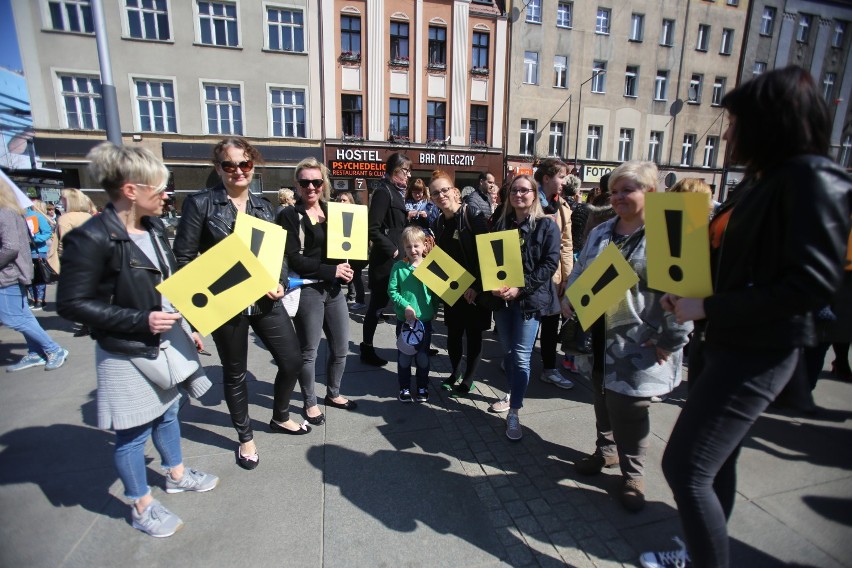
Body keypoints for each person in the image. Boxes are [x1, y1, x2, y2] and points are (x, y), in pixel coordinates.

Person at [641, 66, 852, 568]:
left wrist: (707, 305)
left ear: (768, 121)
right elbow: (743, 264)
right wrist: (688, 291)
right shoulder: (762, 180)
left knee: (685, 467)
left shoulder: (813, 178)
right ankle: (699, 551)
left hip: (759, 350)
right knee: (714, 466)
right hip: (729, 342)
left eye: (734, 121)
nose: (727, 132)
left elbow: (810, 285)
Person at [56, 142, 216, 538]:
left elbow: (168, 283)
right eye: (160, 188)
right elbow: (72, 304)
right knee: (131, 432)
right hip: (124, 350)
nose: (167, 195)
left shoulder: (153, 227)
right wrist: (140, 320)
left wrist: (190, 324)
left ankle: (176, 474)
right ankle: (141, 504)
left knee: (168, 411)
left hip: (161, 341)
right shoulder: (92, 237)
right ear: (131, 190)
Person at [563, 161, 692, 513]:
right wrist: (569, 299)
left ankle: (633, 474)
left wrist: (672, 339)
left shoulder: (670, 230)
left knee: (630, 407)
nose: (617, 197)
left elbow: (685, 291)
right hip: (599, 334)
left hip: (642, 340)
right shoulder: (602, 230)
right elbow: (581, 269)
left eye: (627, 190)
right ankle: (606, 451)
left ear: (650, 193)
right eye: (614, 190)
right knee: (602, 393)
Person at [173, 137, 306, 472]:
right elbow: (185, 257)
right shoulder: (201, 203)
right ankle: (245, 436)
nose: (237, 171)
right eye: (229, 165)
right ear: (218, 168)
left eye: (244, 164)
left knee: (292, 360)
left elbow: (279, 254)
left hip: (264, 298)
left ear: (253, 165)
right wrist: (199, 308)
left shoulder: (264, 206)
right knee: (235, 373)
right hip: (226, 301)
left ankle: (279, 416)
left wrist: (280, 280)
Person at [278, 158, 358, 427]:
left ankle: (333, 393)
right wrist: (330, 271)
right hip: (308, 290)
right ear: (297, 185)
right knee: (308, 351)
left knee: (341, 348)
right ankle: (310, 402)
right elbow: (292, 258)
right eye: (304, 182)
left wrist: (349, 268)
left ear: (324, 183)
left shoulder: (334, 212)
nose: (310, 187)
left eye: (316, 181)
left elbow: (348, 250)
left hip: (334, 289)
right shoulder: (289, 215)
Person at [487, 175, 561, 441]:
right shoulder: (501, 224)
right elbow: (493, 260)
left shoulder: (546, 225)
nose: (519, 194)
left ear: (534, 194)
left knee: (520, 356)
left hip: (528, 301)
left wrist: (521, 287)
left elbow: (549, 265)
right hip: (503, 300)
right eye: (514, 190)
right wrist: (495, 285)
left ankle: (514, 411)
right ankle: (512, 392)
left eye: (525, 190)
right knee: (507, 353)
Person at [429, 169, 490, 393]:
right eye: (435, 193)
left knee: (473, 334)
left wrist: (477, 286)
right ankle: (455, 372)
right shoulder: (438, 223)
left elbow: (486, 254)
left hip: (474, 289)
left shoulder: (472, 215)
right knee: (453, 334)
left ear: (455, 192)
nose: (441, 195)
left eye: (444, 190)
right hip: (452, 288)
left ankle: (469, 378)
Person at [0, 185, 68, 372]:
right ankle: (36, 351)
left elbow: (11, 246)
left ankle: (53, 349)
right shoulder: (12, 212)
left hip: (8, 273)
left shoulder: (5, 212)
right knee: (22, 315)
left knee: (12, 317)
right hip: (15, 269)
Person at [360, 153, 410, 366]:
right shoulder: (383, 191)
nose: (408, 175)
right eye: (405, 170)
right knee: (378, 306)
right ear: (395, 170)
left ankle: (409, 344)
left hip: (399, 258)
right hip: (386, 261)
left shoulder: (396, 192)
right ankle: (367, 348)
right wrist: (393, 250)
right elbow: (373, 228)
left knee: (404, 302)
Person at [534, 158, 575, 390]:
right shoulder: (527, 199)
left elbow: (566, 246)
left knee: (551, 325)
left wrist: (567, 278)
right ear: (547, 178)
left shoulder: (563, 207)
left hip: (554, 277)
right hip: (530, 276)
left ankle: (549, 369)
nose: (565, 182)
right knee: (527, 322)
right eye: (562, 176)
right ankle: (516, 361)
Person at [389, 226, 437, 402]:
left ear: (425, 245)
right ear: (403, 247)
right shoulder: (399, 267)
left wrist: (434, 310)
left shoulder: (430, 267)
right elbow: (392, 291)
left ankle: (422, 386)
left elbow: (436, 293)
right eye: (408, 247)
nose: (413, 250)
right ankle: (404, 388)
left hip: (424, 321)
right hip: (405, 322)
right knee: (404, 358)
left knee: (423, 358)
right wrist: (405, 306)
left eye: (416, 246)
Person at [53, 188, 94, 337]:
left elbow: (65, 244)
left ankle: (88, 323)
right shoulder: (88, 216)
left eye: (63, 198)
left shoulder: (65, 219)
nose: (61, 201)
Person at [335, 191, 367, 309]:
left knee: (356, 275)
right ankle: (350, 295)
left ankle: (360, 300)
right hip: (342, 249)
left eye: (344, 200)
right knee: (345, 272)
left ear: (350, 202)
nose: (341, 202)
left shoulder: (357, 215)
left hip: (355, 249)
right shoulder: (336, 214)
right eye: (340, 200)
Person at [24, 201, 52, 310]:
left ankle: (40, 300)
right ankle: (34, 298)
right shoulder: (17, 217)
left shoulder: (37, 216)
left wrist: (34, 240)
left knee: (39, 275)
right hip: (23, 252)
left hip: (37, 250)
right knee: (28, 276)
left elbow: (47, 232)